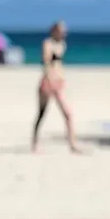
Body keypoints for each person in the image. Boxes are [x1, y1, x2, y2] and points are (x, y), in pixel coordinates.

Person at [31, 20, 78, 153]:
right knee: (41, 113)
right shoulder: (47, 43)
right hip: (47, 82)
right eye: (62, 30)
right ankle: (34, 143)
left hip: (59, 83)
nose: (64, 33)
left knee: (68, 114)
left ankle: (72, 144)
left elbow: (59, 65)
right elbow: (46, 62)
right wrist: (49, 78)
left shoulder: (62, 45)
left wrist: (61, 79)